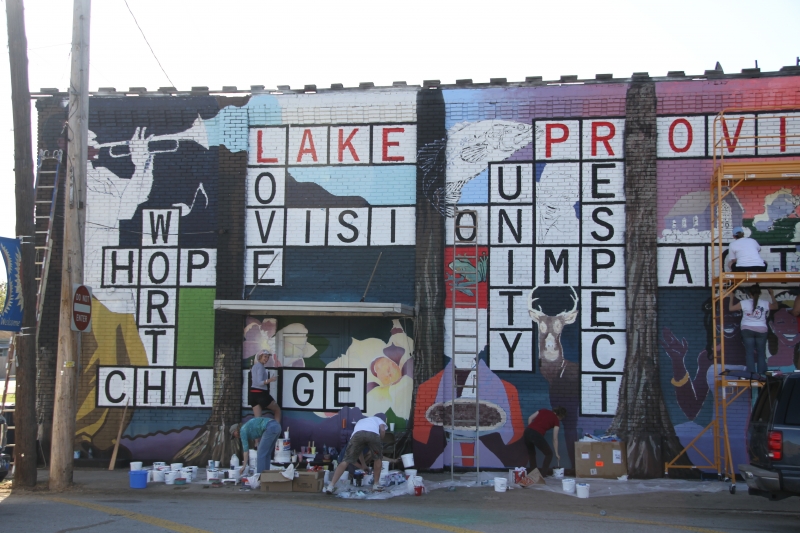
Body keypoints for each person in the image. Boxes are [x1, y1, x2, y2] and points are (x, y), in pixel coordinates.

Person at [324, 416, 386, 494]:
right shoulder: (378, 419)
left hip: (357, 435)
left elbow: (358, 450)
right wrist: (379, 442)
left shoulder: (360, 421)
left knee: (346, 460)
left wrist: (363, 465)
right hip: (373, 435)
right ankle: (376, 484)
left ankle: (330, 486)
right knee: (377, 458)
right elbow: (383, 430)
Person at [730, 285, 777, 374]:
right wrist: (772, 295)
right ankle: (762, 374)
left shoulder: (744, 302)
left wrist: (732, 296)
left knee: (749, 353)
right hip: (761, 330)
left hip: (747, 330)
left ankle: (751, 374)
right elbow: (775, 306)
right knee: (761, 352)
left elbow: (731, 308)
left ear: (749, 293)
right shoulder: (764, 303)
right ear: (760, 293)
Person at [524, 406, 566, 476]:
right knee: (549, 454)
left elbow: (530, 418)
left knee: (532, 454)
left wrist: (531, 429)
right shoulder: (556, 420)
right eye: (561, 418)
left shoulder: (542, 410)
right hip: (536, 434)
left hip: (527, 432)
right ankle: (543, 475)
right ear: (560, 415)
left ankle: (533, 474)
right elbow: (555, 439)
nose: (560, 419)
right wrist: (556, 453)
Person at [249, 351, 281, 421]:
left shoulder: (254, 366)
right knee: (277, 409)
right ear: (260, 357)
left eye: (268, 357)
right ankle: (277, 430)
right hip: (261, 394)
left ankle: (258, 432)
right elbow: (259, 382)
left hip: (252, 394)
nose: (266, 359)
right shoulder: (261, 367)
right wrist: (270, 380)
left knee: (258, 419)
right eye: (265, 357)